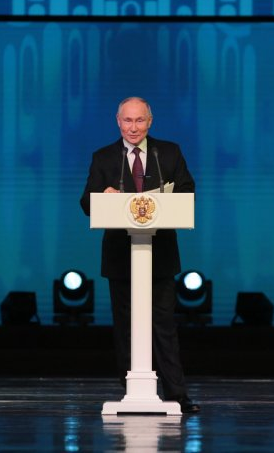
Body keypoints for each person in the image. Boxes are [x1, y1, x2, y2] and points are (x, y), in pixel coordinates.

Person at [80, 97, 200, 413]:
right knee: (126, 326)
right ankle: (131, 390)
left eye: (139, 120)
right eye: (127, 121)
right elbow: (86, 203)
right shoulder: (104, 157)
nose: (133, 128)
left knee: (164, 326)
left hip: (160, 254)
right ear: (118, 121)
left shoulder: (168, 153)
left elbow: (187, 192)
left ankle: (177, 394)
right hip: (121, 255)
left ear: (150, 121)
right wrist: (102, 195)